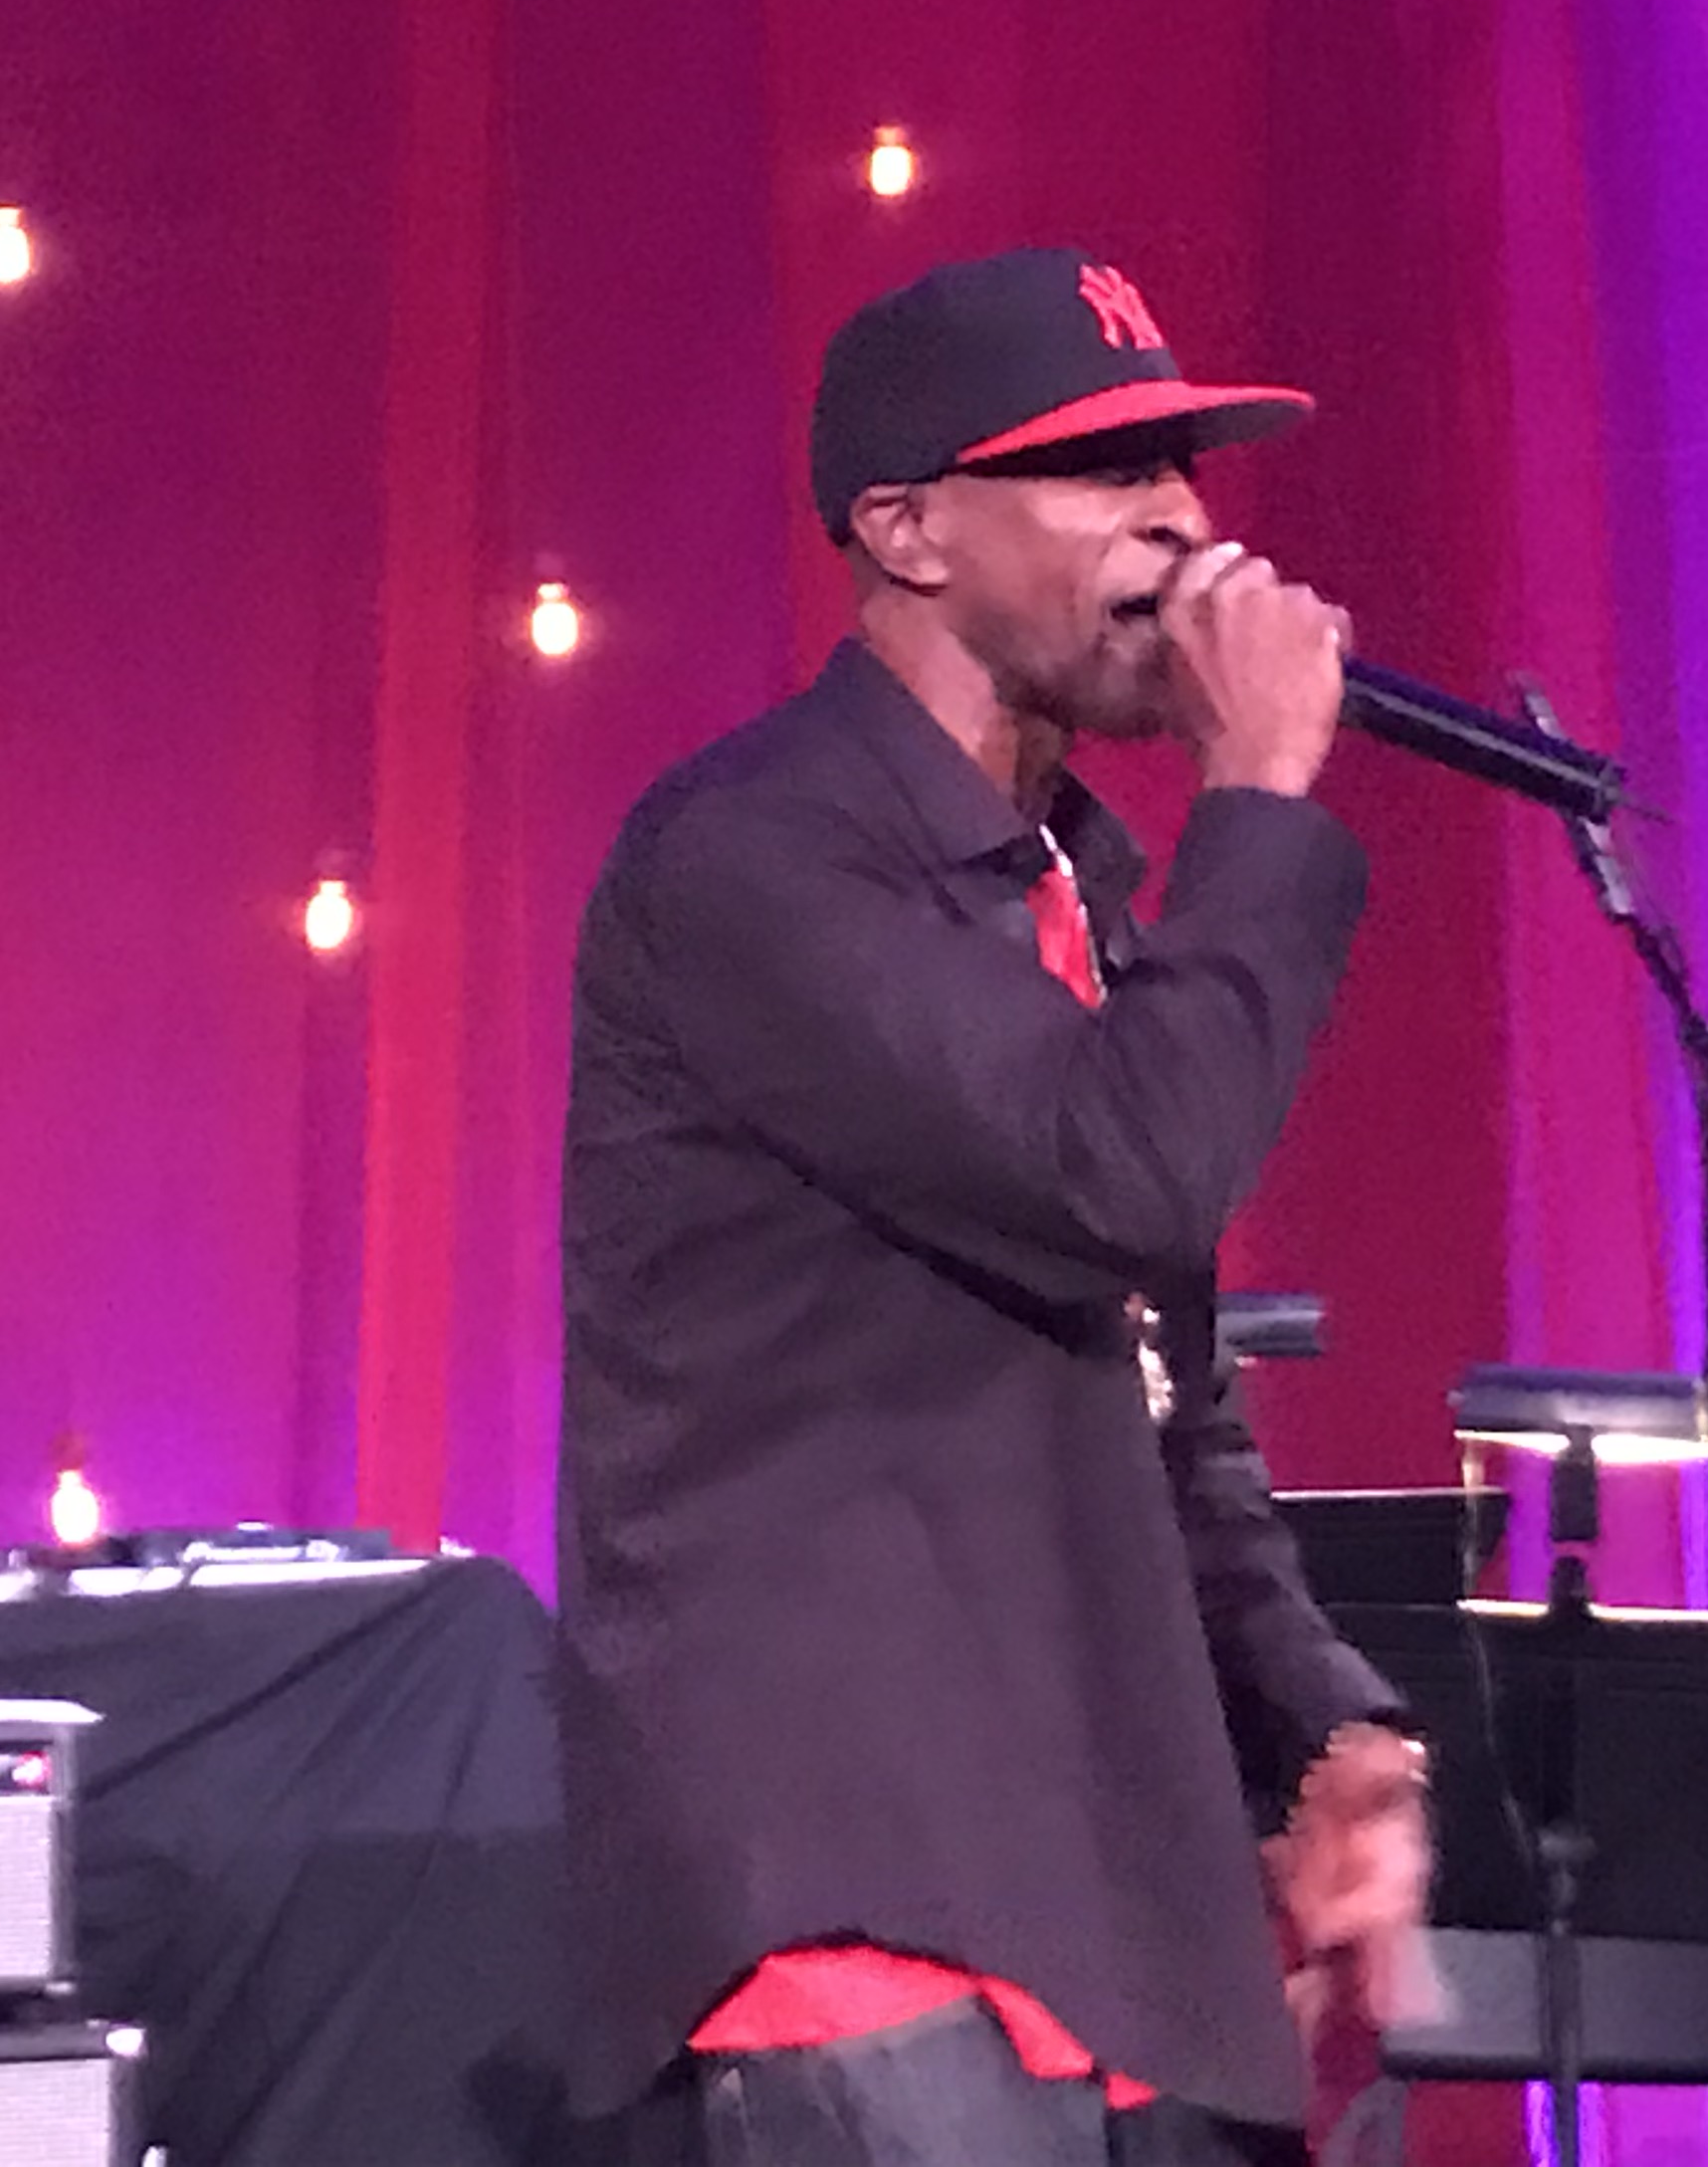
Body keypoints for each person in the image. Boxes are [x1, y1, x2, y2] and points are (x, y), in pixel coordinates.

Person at [557, 248, 1430, 2167]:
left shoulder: (1066, 884)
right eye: (1104, 469)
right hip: (857, 1894)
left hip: (1082, 1889)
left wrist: (1323, 1720)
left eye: (1181, 465)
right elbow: (1127, 1170)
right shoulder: (752, 855)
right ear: (906, 529)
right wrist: (1257, 797)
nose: (1177, 516)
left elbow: (1160, 1389)